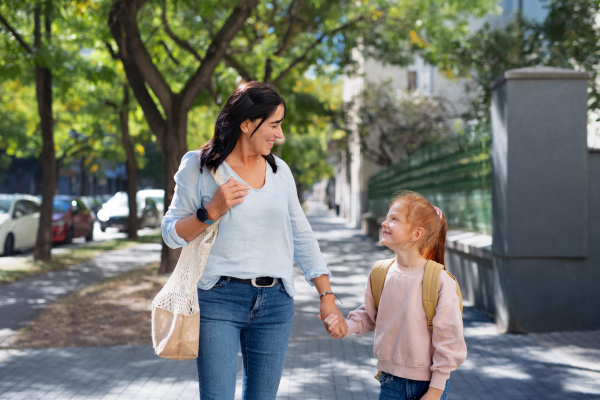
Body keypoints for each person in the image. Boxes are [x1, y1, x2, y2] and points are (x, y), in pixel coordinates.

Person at [161, 81, 347, 400]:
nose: (280, 134)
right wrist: (210, 211)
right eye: (274, 125)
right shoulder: (200, 165)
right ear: (247, 123)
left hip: (275, 303)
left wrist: (326, 295)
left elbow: (302, 235)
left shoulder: (280, 171)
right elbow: (170, 234)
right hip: (219, 298)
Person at [321, 191, 466, 400]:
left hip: (428, 386)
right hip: (389, 382)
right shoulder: (380, 272)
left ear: (416, 234)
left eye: (394, 219)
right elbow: (372, 314)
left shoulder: (440, 281)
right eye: (387, 217)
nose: (384, 223)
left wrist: (435, 391)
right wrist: (346, 326)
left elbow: (449, 341)